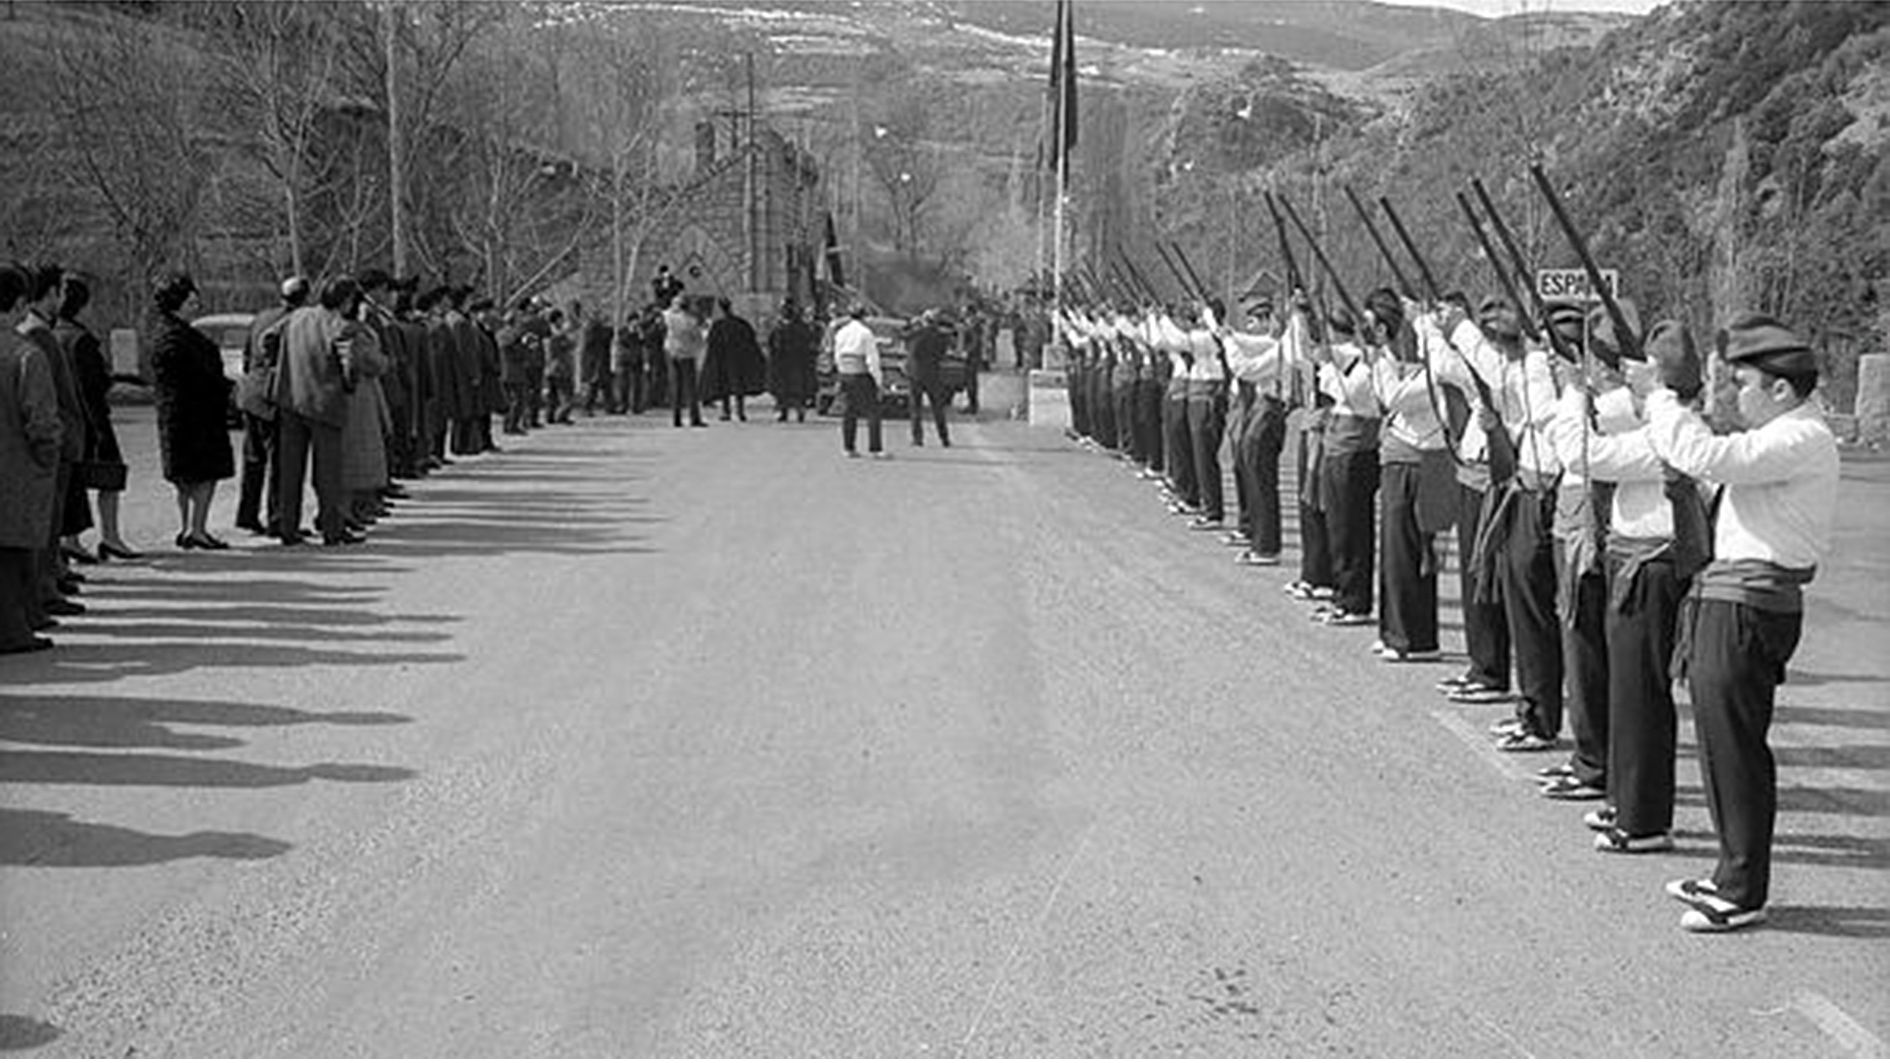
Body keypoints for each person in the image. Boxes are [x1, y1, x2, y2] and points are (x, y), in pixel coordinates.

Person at [1643, 313, 1838, 933]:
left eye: (1744, 383)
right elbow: (1711, 468)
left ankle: (1743, 888)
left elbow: (1705, 453)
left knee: (1737, 746)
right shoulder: (1779, 439)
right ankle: (1730, 867)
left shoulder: (1800, 438)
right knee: (1719, 741)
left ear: (1781, 389)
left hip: (1751, 604)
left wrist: (1659, 397)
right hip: (1730, 598)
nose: (1736, 395)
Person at [146, 271, 235, 550]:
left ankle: (188, 526)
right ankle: (196, 529)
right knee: (203, 474)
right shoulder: (182, 339)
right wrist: (227, 388)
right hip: (198, 415)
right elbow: (202, 377)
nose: (196, 307)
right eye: (191, 302)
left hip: (175, 414)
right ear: (177, 303)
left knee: (184, 476)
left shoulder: (164, 335)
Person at [275, 276, 366, 546]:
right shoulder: (343, 326)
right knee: (328, 473)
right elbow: (349, 367)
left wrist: (283, 367)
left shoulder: (297, 316)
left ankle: (287, 527)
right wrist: (349, 385)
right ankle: (332, 528)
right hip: (325, 403)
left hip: (292, 399)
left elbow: (267, 340)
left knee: (290, 469)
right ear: (347, 301)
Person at [56, 275, 141, 561]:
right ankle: (111, 537)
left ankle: (72, 539)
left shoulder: (54, 333)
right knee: (110, 478)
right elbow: (94, 387)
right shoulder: (81, 340)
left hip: (66, 419)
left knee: (73, 484)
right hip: (91, 419)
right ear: (83, 306)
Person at [0, 264, 62, 653]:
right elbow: (42, 422)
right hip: (16, 468)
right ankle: (12, 630)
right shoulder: (26, 355)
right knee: (11, 555)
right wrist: (47, 458)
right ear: (21, 304)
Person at [1307, 305, 1382, 626]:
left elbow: (1346, 394)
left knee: (1352, 529)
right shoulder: (1356, 358)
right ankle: (1342, 593)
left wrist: (1325, 367)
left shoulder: (1370, 367)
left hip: (1355, 450)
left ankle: (1355, 600)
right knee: (1338, 527)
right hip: (1339, 447)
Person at [234, 276, 308, 538]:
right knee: (281, 461)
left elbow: (246, 356)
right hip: (274, 396)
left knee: (253, 459)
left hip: (250, 392)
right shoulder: (295, 322)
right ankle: (278, 519)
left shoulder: (262, 316)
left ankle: (247, 515)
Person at [832, 303, 884, 458]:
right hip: (861, 374)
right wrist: (878, 381)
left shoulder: (841, 332)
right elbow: (872, 360)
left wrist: (841, 373)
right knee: (873, 412)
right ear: (864, 316)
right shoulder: (866, 333)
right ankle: (875, 449)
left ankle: (849, 447)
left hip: (845, 373)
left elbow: (837, 355)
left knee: (849, 412)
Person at [702, 296, 765, 422]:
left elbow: (711, 343)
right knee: (738, 385)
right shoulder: (741, 324)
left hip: (724, 360)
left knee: (725, 386)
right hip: (738, 359)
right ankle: (740, 411)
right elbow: (751, 340)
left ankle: (726, 412)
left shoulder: (718, 325)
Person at [905, 308, 955, 447]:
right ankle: (944, 438)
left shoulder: (917, 335)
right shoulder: (941, 337)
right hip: (933, 374)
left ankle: (917, 438)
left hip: (916, 375)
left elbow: (911, 351)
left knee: (916, 408)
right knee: (938, 408)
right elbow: (942, 355)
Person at [767, 300, 818, 422]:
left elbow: (808, 343)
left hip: (796, 362)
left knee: (797, 388)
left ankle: (799, 410)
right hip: (782, 362)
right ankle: (783, 411)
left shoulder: (799, 326)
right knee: (782, 389)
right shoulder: (779, 326)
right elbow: (772, 344)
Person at [662, 292, 707, 428]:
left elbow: (665, 313)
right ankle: (694, 417)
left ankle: (676, 418)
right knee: (691, 387)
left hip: (672, 352)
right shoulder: (691, 321)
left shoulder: (669, 318)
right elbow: (699, 340)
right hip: (687, 354)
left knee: (676, 386)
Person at [544, 305, 576, 424]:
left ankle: (550, 416)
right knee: (566, 395)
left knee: (552, 396)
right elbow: (567, 345)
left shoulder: (555, 333)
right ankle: (561, 415)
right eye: (561, 319)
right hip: (559, 368)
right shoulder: (555, 335)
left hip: (552, 368)